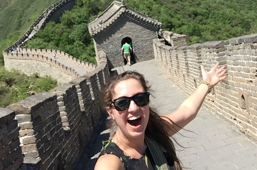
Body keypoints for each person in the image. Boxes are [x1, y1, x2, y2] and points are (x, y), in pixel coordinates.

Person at [94, 63, 227, 170]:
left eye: (140, 99)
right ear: (110, 112)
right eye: (122, 103)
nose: (133, 108)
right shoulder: (111, 162)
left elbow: (187, 110)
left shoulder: (153, 131)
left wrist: (207, 83)